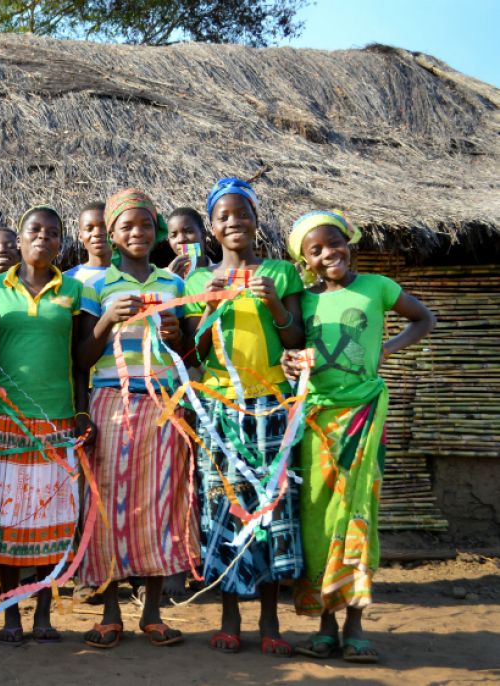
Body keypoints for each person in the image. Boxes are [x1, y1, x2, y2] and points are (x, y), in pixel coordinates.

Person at [282, 210, 434, 664]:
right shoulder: (302, 302)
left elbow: (423, 319)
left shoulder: (378, 288)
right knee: (319, 517)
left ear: (349, 242)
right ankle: (326, 625)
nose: (330, 253)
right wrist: (292, 363)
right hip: (317, 420)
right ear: (305, 262)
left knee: (357, 510)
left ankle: (356, 625)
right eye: (317, 250)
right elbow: (288, 350)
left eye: (336, 243)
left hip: (365, 411)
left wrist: (386, 349)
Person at [183, 178, 305, 656]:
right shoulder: (197, 281)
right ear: (211, 227)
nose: (234, 222)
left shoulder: (282, 272)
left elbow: (294, 339)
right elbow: (190, 349)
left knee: (271, 510)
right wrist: (208, 305)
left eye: (242, 213)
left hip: (272, 406)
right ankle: (230, 616)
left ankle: (271, 619)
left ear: (256, 219)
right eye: (223, 216)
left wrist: (274, 300)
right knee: (224, 508)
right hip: (219, 409)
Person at [78, 188, 196, 650]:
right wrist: (107, 320)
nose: (138, 233)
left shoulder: (173, 285)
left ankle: (151, 613)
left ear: (158, 232)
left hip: (164, 403)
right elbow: (83, 355)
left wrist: (173, 332)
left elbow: (189, 349)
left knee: (159, 506)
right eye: (127, 226)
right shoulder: (93, 286)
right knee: (107, 506)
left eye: (146, 225)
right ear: (110, 234)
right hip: (111, 402)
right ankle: (109, 614)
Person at [0, 205, 93, 646]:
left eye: (52, 232)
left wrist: (81, 411)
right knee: (8, 521)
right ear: (20, 240)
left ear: (61, 243)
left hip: (57, 419)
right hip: (5, 420)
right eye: (34, 230)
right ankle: (11, 617)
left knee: (54, 522)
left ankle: (44, 614)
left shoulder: (75, 291)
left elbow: (80, 360)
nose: (43, 237)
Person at [65, 202, 110, 284]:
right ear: (80, 236)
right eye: (89, 228)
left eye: (104, 226)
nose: (97, 233)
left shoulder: (132, 276)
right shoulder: (67, 280)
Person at [166, 207, 211, 278]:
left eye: (188, 231)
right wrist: (172, 280)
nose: (180, 240)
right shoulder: (161, 278)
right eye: (174, 235)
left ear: (203, 234)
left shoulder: (221, 273)